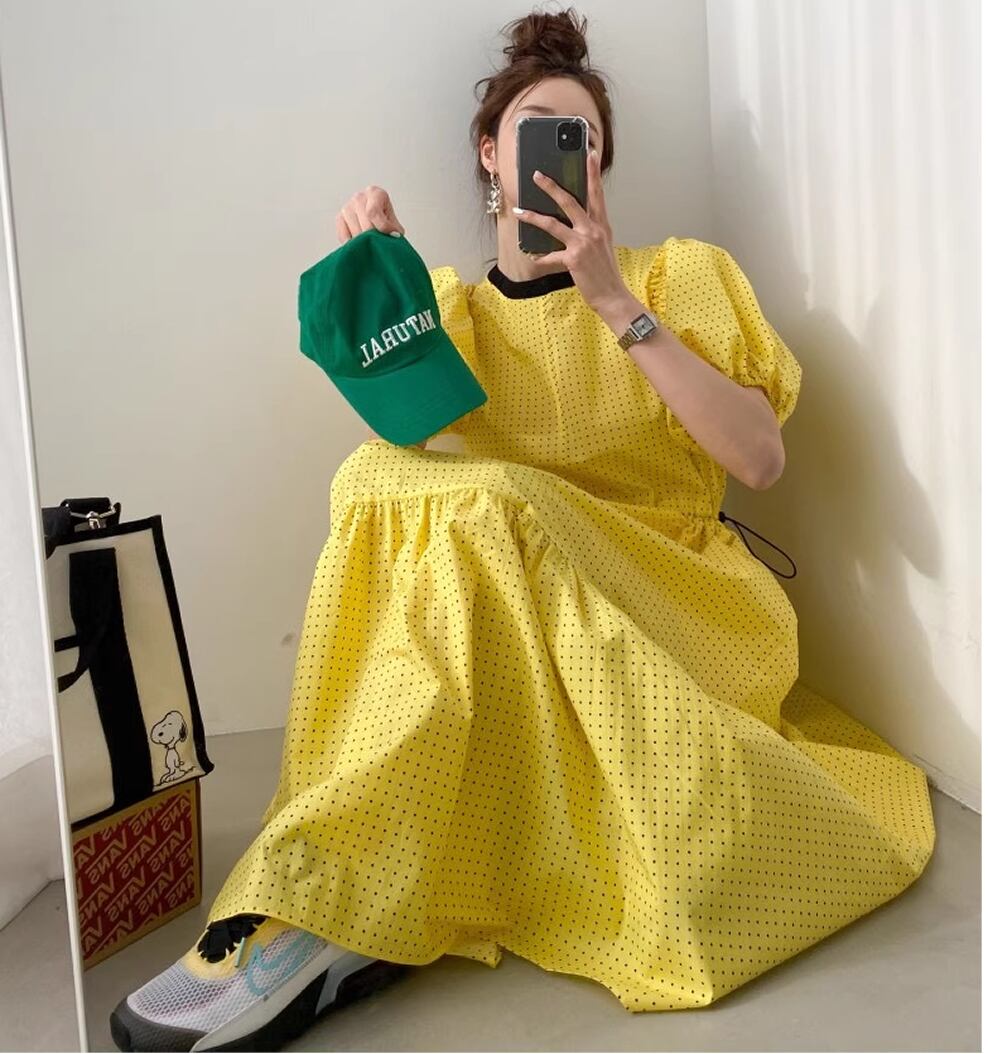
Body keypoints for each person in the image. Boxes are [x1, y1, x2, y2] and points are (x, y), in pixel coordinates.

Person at [111, 7, 935, 1051]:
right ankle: (323, 896)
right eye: (538, 131)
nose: (559, 153)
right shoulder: (455, 314)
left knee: (491, 497)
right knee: (378, 476)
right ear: (490, 154)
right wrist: (386, 286)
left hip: (679, 605)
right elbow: (404, 484)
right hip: (524, 622)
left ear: (600, 166)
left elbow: (759, 460)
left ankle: (319, 919)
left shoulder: (675, 277)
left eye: (579, 139)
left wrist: (614, 303)